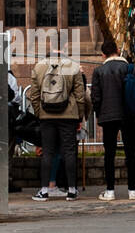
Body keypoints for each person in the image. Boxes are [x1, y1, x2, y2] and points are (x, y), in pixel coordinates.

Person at [27, 48, 90, 201]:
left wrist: (39, 113)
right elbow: (80, 96)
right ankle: (72, 190)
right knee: (69, 151)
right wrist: (79, 116)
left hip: (46, 115)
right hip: (68, 115)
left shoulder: (38, 67)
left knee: (47, 152)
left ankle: (44, 191)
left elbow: (34, 95)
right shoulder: (73, 67)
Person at [91, 39, 135, 201]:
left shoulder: (99, 71)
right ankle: (132, 190)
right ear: (118, 51)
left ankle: (110, 190)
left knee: (109, 154)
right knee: (130, 153)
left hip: (108, 116)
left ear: (103, 54)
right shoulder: (131, 68)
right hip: (129, 115)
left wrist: (100, 113)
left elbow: (95, 97)